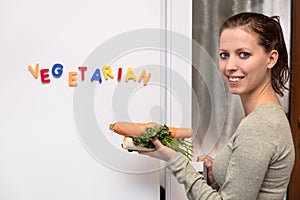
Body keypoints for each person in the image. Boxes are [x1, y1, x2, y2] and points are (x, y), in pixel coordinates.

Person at [140, 12, 295, 199]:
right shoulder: (268, 117)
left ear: (271, 59)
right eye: (224, 55)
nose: (230, 65)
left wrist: (175, 160)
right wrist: (220, 174)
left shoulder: (260, 125)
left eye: (243, 54)